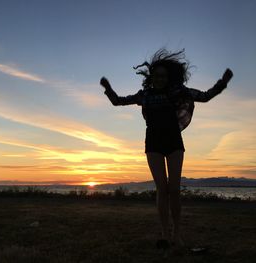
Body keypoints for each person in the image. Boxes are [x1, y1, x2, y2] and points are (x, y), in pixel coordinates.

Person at [100, 48, 233, 252]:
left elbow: (205, 96)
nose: (160, 79)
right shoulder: (144, 95)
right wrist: (108, 88)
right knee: (162, 189)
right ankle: (164, 233)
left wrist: (222, 83)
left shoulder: (177, 91)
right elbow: (118, 101)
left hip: (173, 142)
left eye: (163, 76)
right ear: (152, 77)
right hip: (153, 143)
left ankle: (177, 234)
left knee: (174, 189)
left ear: (168, 77)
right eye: (157, 75)